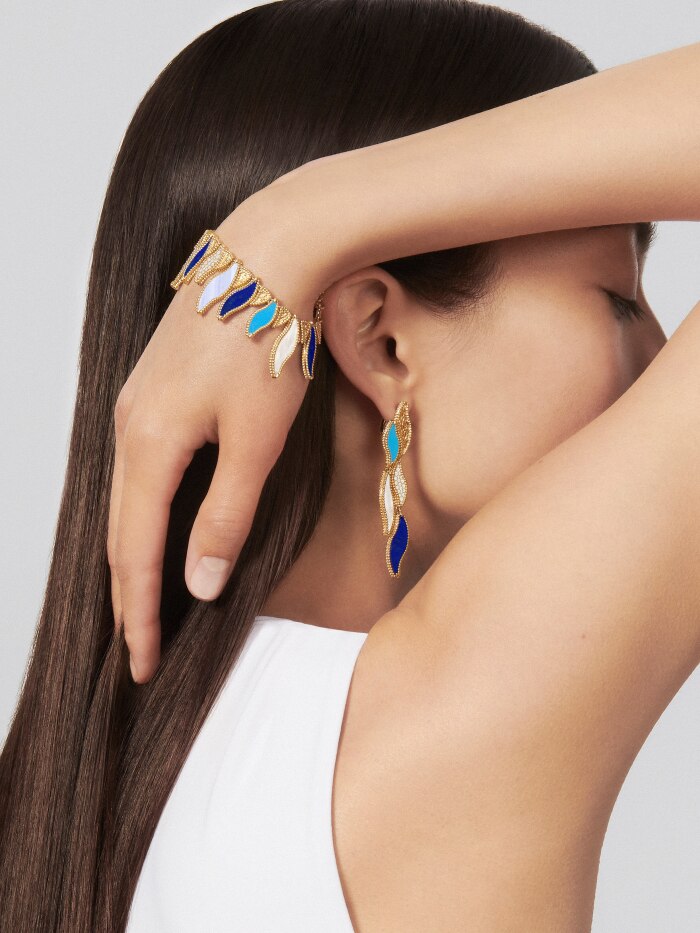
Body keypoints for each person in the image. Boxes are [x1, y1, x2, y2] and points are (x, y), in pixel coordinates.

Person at [0, 0, 698, 929]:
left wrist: (282, 234)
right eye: (617, 299)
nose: (660, 355)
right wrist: (298, 225)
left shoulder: (79, 793)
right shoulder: (446, 712)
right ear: (380, 338)